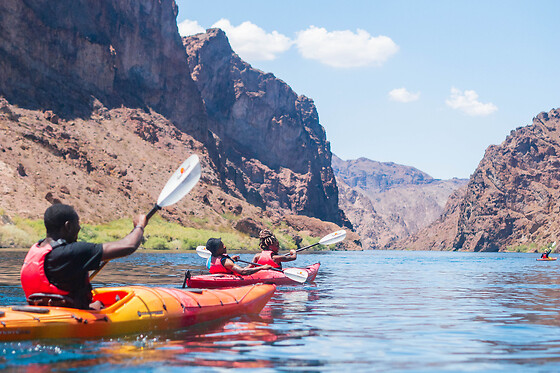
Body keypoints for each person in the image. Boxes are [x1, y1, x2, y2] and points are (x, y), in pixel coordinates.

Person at [20, 203, 147, 310]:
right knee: (100, 305)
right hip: (70, 317)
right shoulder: (72, 252)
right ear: (68, 226)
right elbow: (129, 246)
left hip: (40, 310)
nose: (79, 228)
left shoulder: (36, 249)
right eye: (77, 224)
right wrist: (140, 226)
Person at [206, 238, 272, 275]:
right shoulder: (226, 261)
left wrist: (231, 259)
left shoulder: (210, 259)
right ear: (216, 250)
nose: (225, 247)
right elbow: (242, 271)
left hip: (217, 277)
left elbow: (220, 265)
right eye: (221, 246)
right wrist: (262, 267)